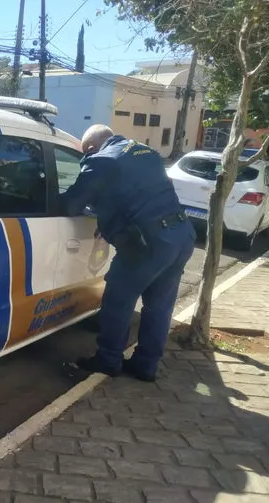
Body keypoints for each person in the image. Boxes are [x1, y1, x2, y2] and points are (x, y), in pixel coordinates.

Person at [60, 125, 196, 382]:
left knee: (118, 301)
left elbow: (71, 203)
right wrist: (108, 217)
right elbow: (134, 193)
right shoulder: (145, 151)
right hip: (181, 235)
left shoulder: (101, 161)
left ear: (89, 149)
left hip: (149, 243)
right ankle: (146, 366)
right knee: (159, 307)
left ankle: (108, 359)